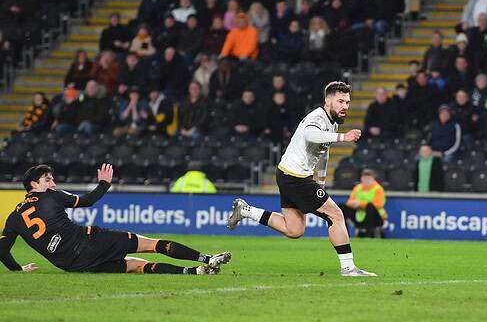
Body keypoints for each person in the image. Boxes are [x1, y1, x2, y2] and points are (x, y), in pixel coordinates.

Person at [228, 82, 376, 277]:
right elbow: (310, 135)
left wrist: (321, 180)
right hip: (296, 178)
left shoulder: (331, 122)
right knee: (336, 215)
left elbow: (324, 151)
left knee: (294, 229)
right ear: (327, 101)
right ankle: (348, 268)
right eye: (340, 101)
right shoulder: (317, 117)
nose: (345, 106)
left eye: (347, 102)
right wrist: (344, 137)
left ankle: (247, 211)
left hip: (288, 174)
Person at [0, 164, 231, 274]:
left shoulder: (13, 217)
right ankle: (208, 259)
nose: (52, 183)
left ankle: (194, 272)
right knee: (150, 245)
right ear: (34, 185)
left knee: (134, 267)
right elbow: (87, 201)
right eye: (48, 180)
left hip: (70, 265)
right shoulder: (51, 196)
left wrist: (18, 270)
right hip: (88, 242)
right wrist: (104, 184)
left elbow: (1, 250)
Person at [343, 169, 388, 238]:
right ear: (361, 178)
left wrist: (360, 204)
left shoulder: (378, 189)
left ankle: (369, 234)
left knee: (370, 206)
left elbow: (379, 205)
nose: (367, 180)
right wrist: (353, 204)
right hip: (359, 216)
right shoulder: (357, 188)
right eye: (365, 178)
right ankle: (344, 234)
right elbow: (349, 202)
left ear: (373, 179)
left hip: (376, 218)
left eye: (369, 178)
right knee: (342, 208)